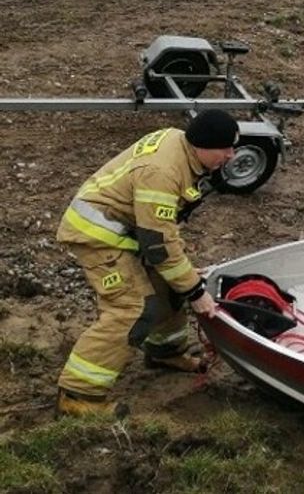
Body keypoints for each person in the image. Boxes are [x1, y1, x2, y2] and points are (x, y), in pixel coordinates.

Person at [55, 110, 240, 417]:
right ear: (203, 146)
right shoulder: (163, 172)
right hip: (98, 237)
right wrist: (196, 293)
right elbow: (158, 245)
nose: (231, 156)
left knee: (170, 286)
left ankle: (165, 353)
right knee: (132, 308)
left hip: (130, 231)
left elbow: (161, 231)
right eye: (225, 149)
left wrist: (183, 281)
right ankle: (76, 396)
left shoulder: (179, 144)